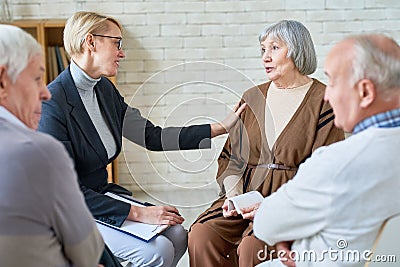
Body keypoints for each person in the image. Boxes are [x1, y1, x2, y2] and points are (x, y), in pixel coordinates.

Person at [38, 11, 245, 267]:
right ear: (90, 42)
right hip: (72, 208)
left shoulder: (103, 89)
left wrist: (219, 127)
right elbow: (64, 190)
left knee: (179, 234)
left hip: (102, 196)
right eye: (117, 43)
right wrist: (140, 213)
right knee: (156, 252)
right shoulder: (52, 104)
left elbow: (152, 136)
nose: (122, 53)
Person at [188, 20, 345, 267]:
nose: (265, 58)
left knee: (254, 245)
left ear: (296, 50)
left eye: (274, 48)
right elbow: (231, 158)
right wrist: (235, 198)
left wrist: (274, 206)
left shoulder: (324, 101)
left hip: (291, 201)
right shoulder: (252, 97)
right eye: (263, 50)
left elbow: (323, 170)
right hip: (245, 196)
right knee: (201, 234)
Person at [253, 34, 400, 267]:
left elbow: (265, 225)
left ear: (365, 93)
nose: (327, 95)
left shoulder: (337, 163)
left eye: (332, 82)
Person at [0, 24, 104, 267]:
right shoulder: (38, 151)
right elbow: (88, 252)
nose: (45, 93)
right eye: (37, 78)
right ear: (2, 82)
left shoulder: (104, 90)